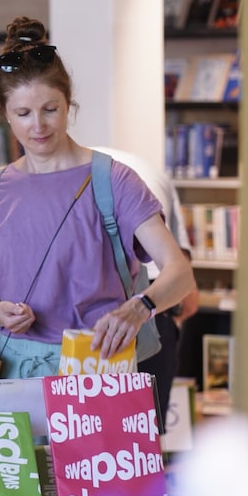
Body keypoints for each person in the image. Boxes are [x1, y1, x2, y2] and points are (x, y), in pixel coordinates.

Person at [0, 16, 196, 380]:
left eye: (50, 109)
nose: (38, 125)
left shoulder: (112, 180)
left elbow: (179, 273)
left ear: (69, 104)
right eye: (23, 113)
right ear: (5, 114)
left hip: (97, 365)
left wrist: (139, 307)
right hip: (13, 371)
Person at [90, 146, 200, 427]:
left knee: (84, 437)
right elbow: (188, 298)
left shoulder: (57, 175)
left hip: (88, 320)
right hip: (154, 305)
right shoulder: (149, 173)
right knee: (143, 441)